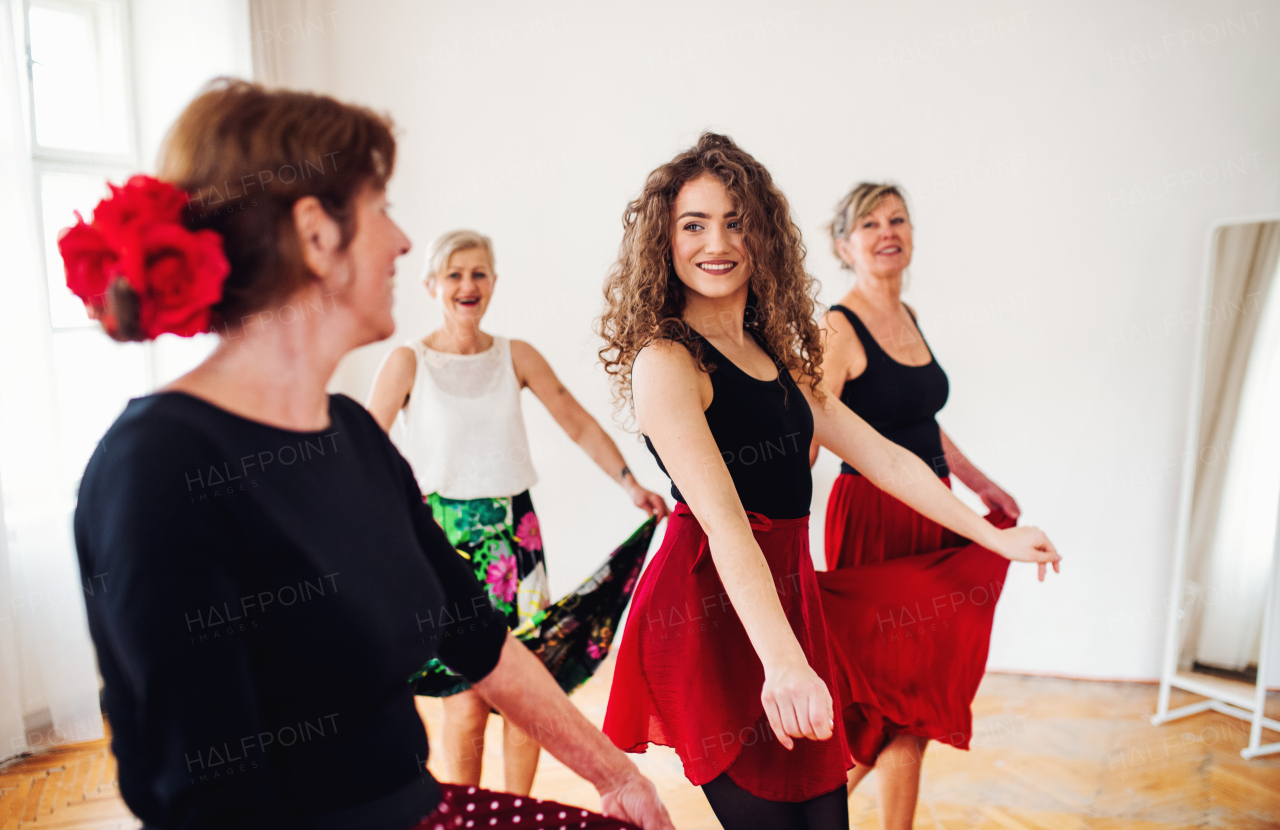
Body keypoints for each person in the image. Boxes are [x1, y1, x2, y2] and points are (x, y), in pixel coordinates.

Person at [65, 79, 673, 830]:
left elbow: (481, 640)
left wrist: (620, 780)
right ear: (317, 235)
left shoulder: (351, 435)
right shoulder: (156, 467)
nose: (404, 241)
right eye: (381, 207)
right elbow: (209, 798)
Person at [597, 134, 1060, 830]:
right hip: (709, 613)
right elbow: (725, 524)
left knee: (824, 819)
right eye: (693, 224)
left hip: (787, 597)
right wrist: (783, 663)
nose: (716, 242)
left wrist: (994, 539)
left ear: (765, 236)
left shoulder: (775, 352)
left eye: (735, 220)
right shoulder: (666, 361)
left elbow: (886, 456)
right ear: (664, 240)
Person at [367, 229, 669, 795]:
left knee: (529, 685)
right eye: (454, 274)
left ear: (494, 283)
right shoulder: (407, 362)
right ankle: (470, 814)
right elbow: (363, 449)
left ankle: (516, 811)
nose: (467, 285)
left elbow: (574, 419)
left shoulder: (517, 355)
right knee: (466, 698)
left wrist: (630, 484)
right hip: (442, 542)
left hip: (516, 539)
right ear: (432, 285)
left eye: (479, 273)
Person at [813, 182, 1054, 829]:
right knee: (896, 701)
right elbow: (814, 427)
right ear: (843, 245)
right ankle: (811, 814)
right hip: (875, 514)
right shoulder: (838, 327)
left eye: (897, 219)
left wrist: (981, 484)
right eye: (869, 223)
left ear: (912, 234)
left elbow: (922, 418)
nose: (887, 231)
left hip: (933, 510)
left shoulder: (908, 315)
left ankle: (810, 816)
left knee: (906, 700)